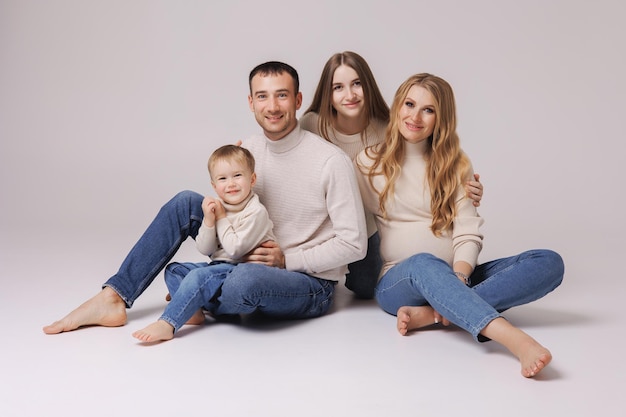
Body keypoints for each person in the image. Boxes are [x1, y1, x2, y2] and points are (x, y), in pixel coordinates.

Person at [43, 61, 367, 335]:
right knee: (187, 201)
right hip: (242, 255)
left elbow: (355, 244)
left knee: (244, 283)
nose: (272, 106)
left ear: (297, 100)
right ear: (251, 102)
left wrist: (288, 260)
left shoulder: (330, 161)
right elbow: (233, 208)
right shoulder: (249, 149)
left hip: (305, 281)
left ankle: (194, 296)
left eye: (281, 95)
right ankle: (114, 296)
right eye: (262, 96)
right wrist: (214, 214)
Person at [354, 73, 564, 378]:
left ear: (441, 119)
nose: (415, 116)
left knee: (549, 262)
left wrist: (461, 275)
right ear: (397, 106)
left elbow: (467, 229)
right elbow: (343, 211)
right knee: (424, 262)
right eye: (410, 104)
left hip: (457, 275)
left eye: (428, 110)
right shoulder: (367, 163)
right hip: (400, 280)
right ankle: (513, 339)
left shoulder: (456, 163)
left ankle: (431, 315)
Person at [300, 51, 484, 298]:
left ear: (368, 86)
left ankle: (446, 292)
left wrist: (459, 190)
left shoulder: (391, 125)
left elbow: (423, 165)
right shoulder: (311, 125)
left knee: (366, 285)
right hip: (328, 221)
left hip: (370, 227)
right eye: (338, 87)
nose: (350, 95)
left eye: (357, 84)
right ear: (327, 94)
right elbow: (288, 162)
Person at [132, 145, 276, 342]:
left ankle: (168, 322)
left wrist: (222, 217)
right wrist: (209, 221)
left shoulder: (256, 212)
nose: (231, 184)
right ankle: (194, 311)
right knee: (174, 270)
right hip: (219, 268)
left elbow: (234, 250)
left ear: (252, 179)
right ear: (214, 185)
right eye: (223, 179)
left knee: (200, 277)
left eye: (237, 175)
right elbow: (205, 249)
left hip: (241, 270)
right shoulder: (218, 207)